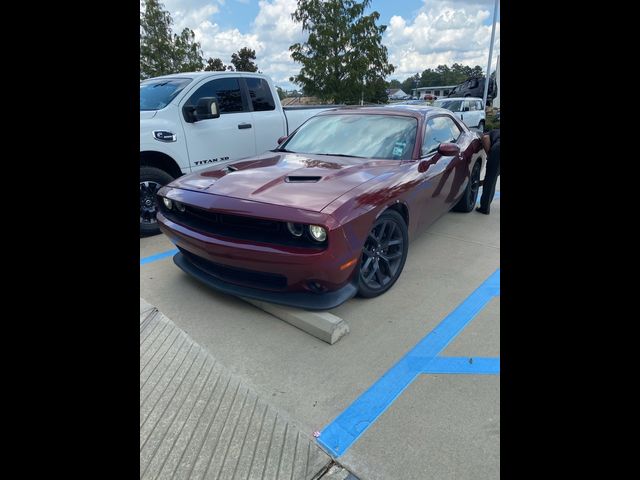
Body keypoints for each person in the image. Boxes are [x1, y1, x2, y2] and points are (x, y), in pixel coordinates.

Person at [477, 128, 500, 214]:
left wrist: (489, 155)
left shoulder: (490, 132)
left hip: (498, 149)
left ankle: (484, 208)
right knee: (492, 178)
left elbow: (485, 138)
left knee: (490, 180)